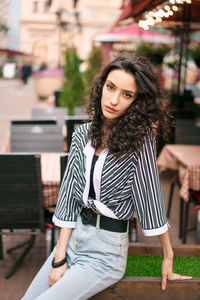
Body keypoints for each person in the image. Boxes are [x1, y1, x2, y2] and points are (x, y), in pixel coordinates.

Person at [22, 55, 192, 300]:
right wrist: (59, 258)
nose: (113, 100)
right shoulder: (82, 134)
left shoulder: (140, 142)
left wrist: (168, 255)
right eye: (111, 87)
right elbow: (69, 197)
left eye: (127, 94)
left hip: (106, 252)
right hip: (73, 241)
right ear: (101, 86)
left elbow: (150, 196)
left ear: (136, 102)